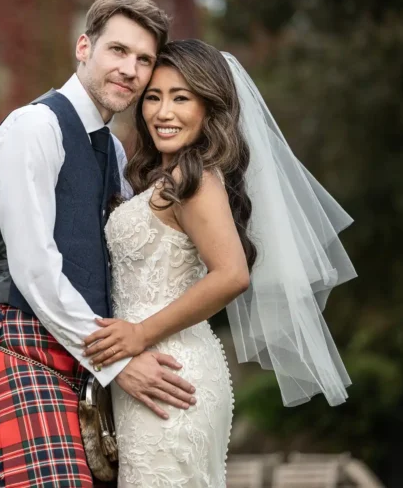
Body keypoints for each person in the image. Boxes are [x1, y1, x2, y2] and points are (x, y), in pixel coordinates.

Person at [83, 39, 356, 487]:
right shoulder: (161, 177)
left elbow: (232, 274)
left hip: (168, 372)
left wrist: (138, 335)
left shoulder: (196, 178)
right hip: (149, 373)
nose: (163, 112)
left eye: (181, 98)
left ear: (209, 108)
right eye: (153, 97)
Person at [0, 0, 199, 488]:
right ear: (84, 47)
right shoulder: (34, 127)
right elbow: (34, 269)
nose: (130, 70)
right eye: (118, 51)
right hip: (28, 353)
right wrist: (119, 364)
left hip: (85, 368)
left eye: (144, 60)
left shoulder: (111, 149)